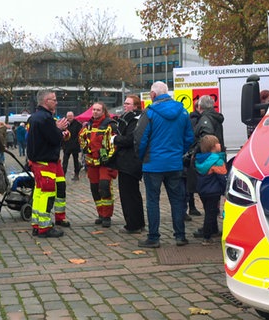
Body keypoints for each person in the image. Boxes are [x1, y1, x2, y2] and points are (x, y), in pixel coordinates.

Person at [133, 81, 194, 248]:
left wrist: (141, 157)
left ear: (153, 95)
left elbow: (140, 139)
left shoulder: (149, 113)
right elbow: (189, 138)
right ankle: (180, 236)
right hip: (175, 164)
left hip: (153, 164)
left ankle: (154, 238)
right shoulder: (182, 111)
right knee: (177, 200)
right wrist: (179, 154)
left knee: (153, 201)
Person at [27, 90, 71, 237]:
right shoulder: (45, 118)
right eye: (54, 99)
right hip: (45, 162)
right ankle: (44, 228)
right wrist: (59, 130)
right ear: (46, 101)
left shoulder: (35, 117)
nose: (56, 102)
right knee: (47, 194)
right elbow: (53, 138)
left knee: (39, 194)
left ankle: (37, 224)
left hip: (39, 161)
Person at [108, 95, 145, 234]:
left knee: (128, 195)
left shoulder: (134, 120)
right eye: (124, 103)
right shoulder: (131, 119)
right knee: (132, 194)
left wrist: (115, 139)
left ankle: (133, 224)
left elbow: (130, 139)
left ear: (135, 106)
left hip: (130, 162)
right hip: (129, 161)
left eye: (128, 103)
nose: (125, 105)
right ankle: (137, 222)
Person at [191, 95, 226, 239]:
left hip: (210, 161)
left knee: (209, 205)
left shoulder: (205, 120)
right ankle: (212, 228)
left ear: (200, 107)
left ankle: (208, 231)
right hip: (216, 159)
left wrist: (195, 153)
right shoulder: (214, 117)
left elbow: (206, 140)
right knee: (212, 204)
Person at [78, 102, 118, 228]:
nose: (95, 112)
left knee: (104, 186)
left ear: (103, 111)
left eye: (98, 110)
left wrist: (107, 155)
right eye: (94, 109)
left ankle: (107, 216)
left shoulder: (110, 125)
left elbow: (114, 142)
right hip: (92, 162)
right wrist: (86, 149)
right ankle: (100, 214)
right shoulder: (88, 125)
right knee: (95, 189)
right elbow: (81, 137)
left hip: (106, 163)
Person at [194, 135, 227, 245]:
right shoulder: (217, 161)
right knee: (210, 213)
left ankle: (213, 230)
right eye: (218, 143)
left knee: (208, 210)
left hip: (203, 191)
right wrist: (226, 190)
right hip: (214, 191)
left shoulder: (200, 160)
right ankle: (207, 237)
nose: (220, 145)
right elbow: (222, 177)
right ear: (213, 147)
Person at [62, 111, 83, 181]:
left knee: (76, 161)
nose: (69, 117)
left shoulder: (78, 124)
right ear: (66, 117)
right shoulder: (64, 124)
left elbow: (79, 135)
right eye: (68, 116)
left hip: (75, 146)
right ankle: (63, 175)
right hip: (66, 146)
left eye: (71, 116)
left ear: (73, 116)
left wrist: (76, 143)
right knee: (65, 161)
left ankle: (76, 175)